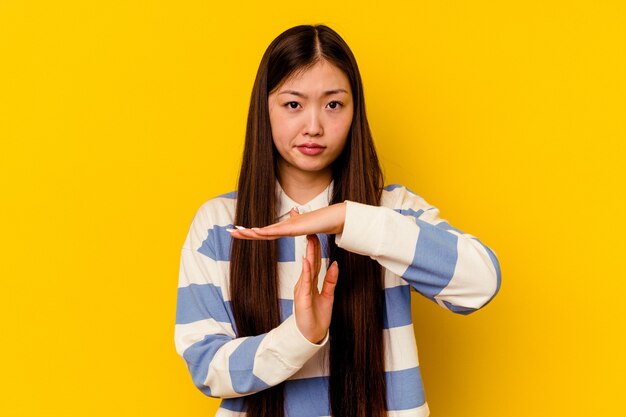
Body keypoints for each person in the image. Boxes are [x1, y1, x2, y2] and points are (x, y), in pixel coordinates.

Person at [175, 24, 501, 417]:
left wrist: (351, 219)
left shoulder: (390, 212)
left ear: (354, 111)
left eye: (333, 104)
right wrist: (299, 336)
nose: (313, 125)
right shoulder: (220, 224)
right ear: (265, 108)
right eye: (293, 104)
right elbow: (206, 367)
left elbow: (480, 284)